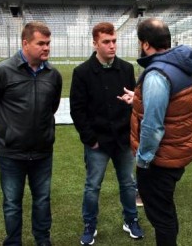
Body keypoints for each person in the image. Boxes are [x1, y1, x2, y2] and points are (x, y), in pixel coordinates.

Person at [0, 21, 62, 246]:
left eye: (48, 43)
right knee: (12, 202)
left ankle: (43, 241)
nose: (46, 48)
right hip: (11, 153)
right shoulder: (1, 71)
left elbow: (51, 107)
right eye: (41, 43)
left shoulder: (54, 75)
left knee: (42, 200)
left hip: (43, 152)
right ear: (25, 43)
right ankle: (13, 242)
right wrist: (6, 128)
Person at [118, 17, 192, 246]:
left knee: (161, 217)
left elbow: (153, 126)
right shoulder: (178, 67)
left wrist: (143, 161)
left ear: (145, 44)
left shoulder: (156, 75)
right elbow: (172, 106)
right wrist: (138, 100)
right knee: (165, 211)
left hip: (160, 160)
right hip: (175, 154)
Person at [69, 22, 144, 245]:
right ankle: (90, 225)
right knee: (93, 186)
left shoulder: (127, 68)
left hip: (122, 140)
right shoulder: (82, 72)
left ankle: (131, 219)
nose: (112, 46)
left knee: (128, 183)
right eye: (106, 42)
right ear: (95, 44)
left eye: (114, 41)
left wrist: (132, 132)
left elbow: (134, 102)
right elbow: (77, 110)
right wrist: (90, 139)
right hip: (97, 142)